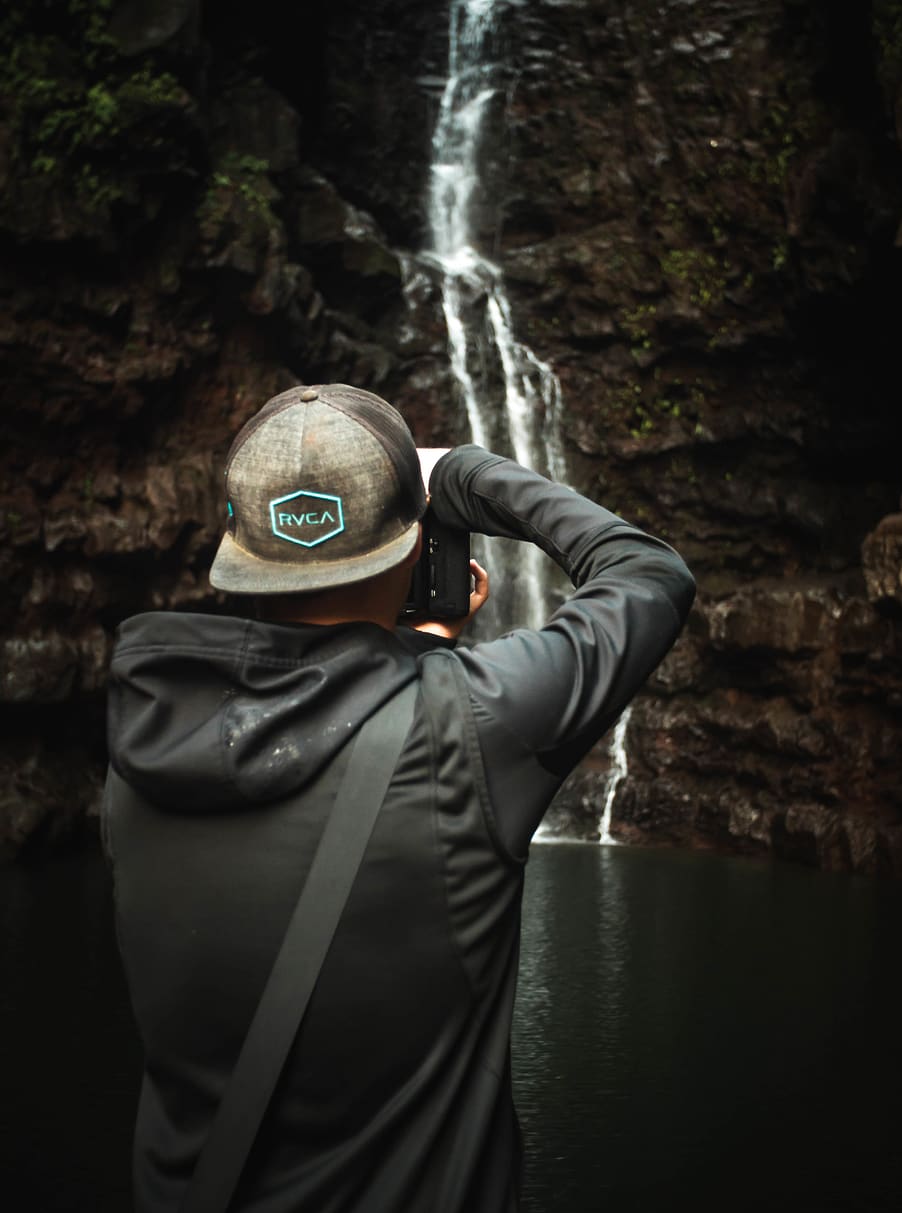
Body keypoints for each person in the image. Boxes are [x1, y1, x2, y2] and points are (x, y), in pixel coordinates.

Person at [104, 382, 695, 1213]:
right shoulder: (475, 720)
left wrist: (412, 654)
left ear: (236, 546)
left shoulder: (140, 743)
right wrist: (461, 473)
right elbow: (649, 571)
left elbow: (300, 716)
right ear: (418, 548)